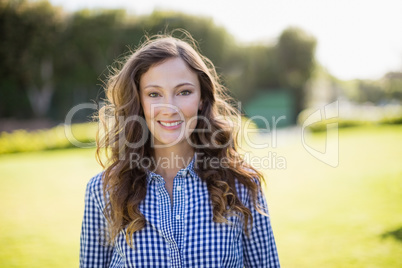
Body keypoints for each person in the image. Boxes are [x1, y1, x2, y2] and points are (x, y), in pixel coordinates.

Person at [80, 31, 280, 267]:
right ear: (139, 102)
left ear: (202, 99)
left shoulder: (242, 186)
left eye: (184, 92)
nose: (170, 108)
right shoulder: (104, 190)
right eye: (154, 94)